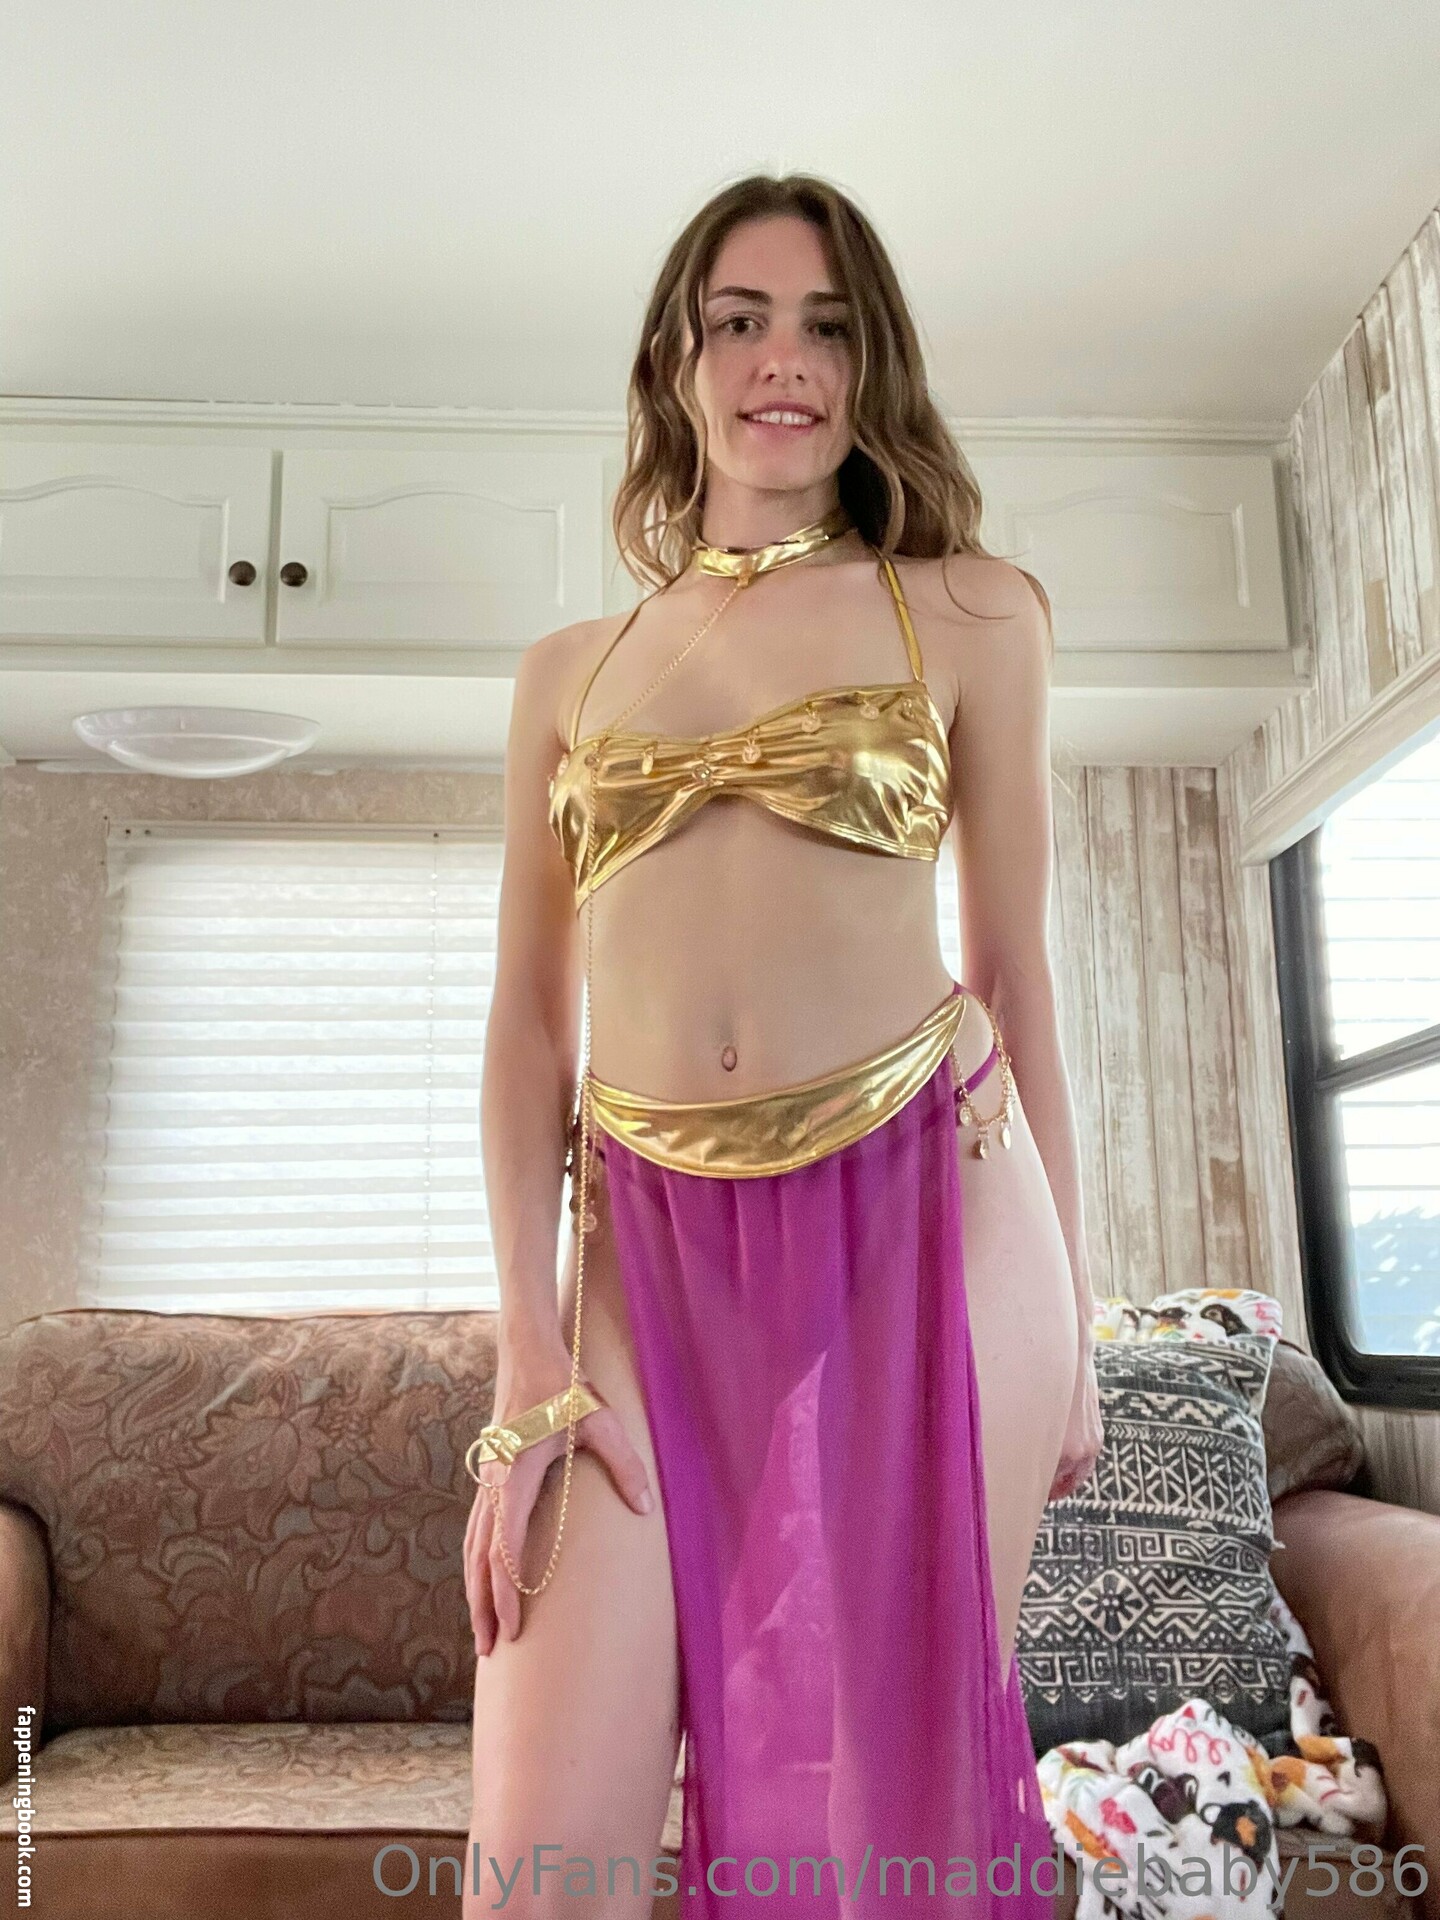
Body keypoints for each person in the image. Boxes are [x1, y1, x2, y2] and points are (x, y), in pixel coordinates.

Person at [462, 172, 1104, 1919]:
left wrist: (1083, 1331)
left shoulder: (971, 610)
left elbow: (1016, 972)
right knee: (538, 1864)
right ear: (675, 360)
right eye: (739, 320)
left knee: (886, 1819)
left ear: (870, 360)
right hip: (641, 1245)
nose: (783, 361)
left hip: (934, 1208)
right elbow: (528, 1026)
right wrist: (529, 1355)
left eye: (826, 326)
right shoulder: (568, 673)